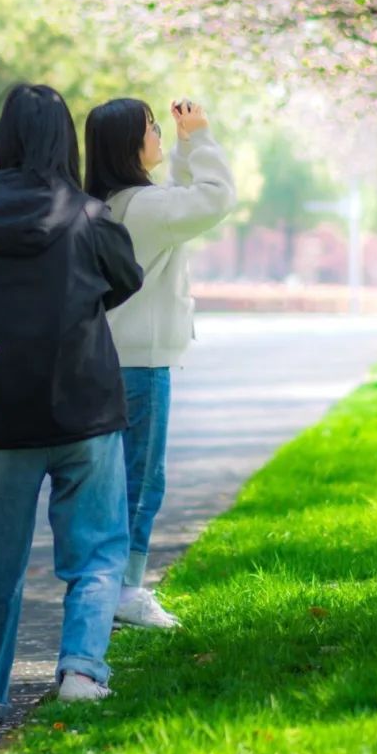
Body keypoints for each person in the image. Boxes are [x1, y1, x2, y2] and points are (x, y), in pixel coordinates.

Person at [0, 82, 143, 754]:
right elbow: (126, 280)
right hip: (85, 409)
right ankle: (82, 670)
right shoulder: (90, 218)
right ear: (66, 140)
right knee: (95, 553)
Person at [84, 96, 236, 630]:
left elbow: (180, 197)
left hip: (104, 357)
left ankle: (106, 582)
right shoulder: (149, 210)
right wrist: (198, 138)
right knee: (142, 479)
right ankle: (126, 588)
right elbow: (214, 198)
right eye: (153, 129)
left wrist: (184, 149)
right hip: (142, 364)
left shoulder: (108, 204)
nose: (160, 136)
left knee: (109, 480)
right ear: (131, 144)